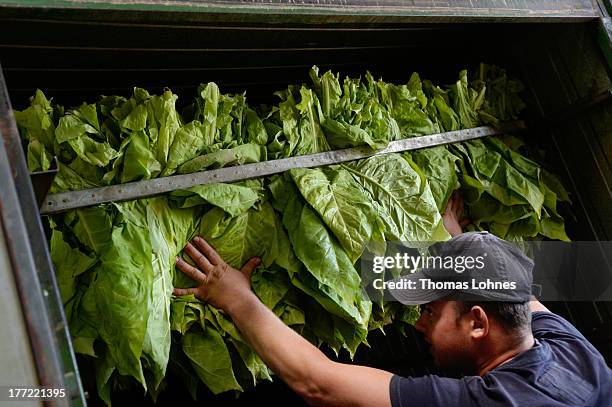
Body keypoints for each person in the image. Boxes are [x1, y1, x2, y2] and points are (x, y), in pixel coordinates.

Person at [174, 192, 612, 406]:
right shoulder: (570, 350)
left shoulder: (492, 402)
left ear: (478, 323)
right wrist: (463, 242)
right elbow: (519, 293)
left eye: (430, 311)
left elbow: (318, 383)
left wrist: (236, 297)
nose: (418, 324)